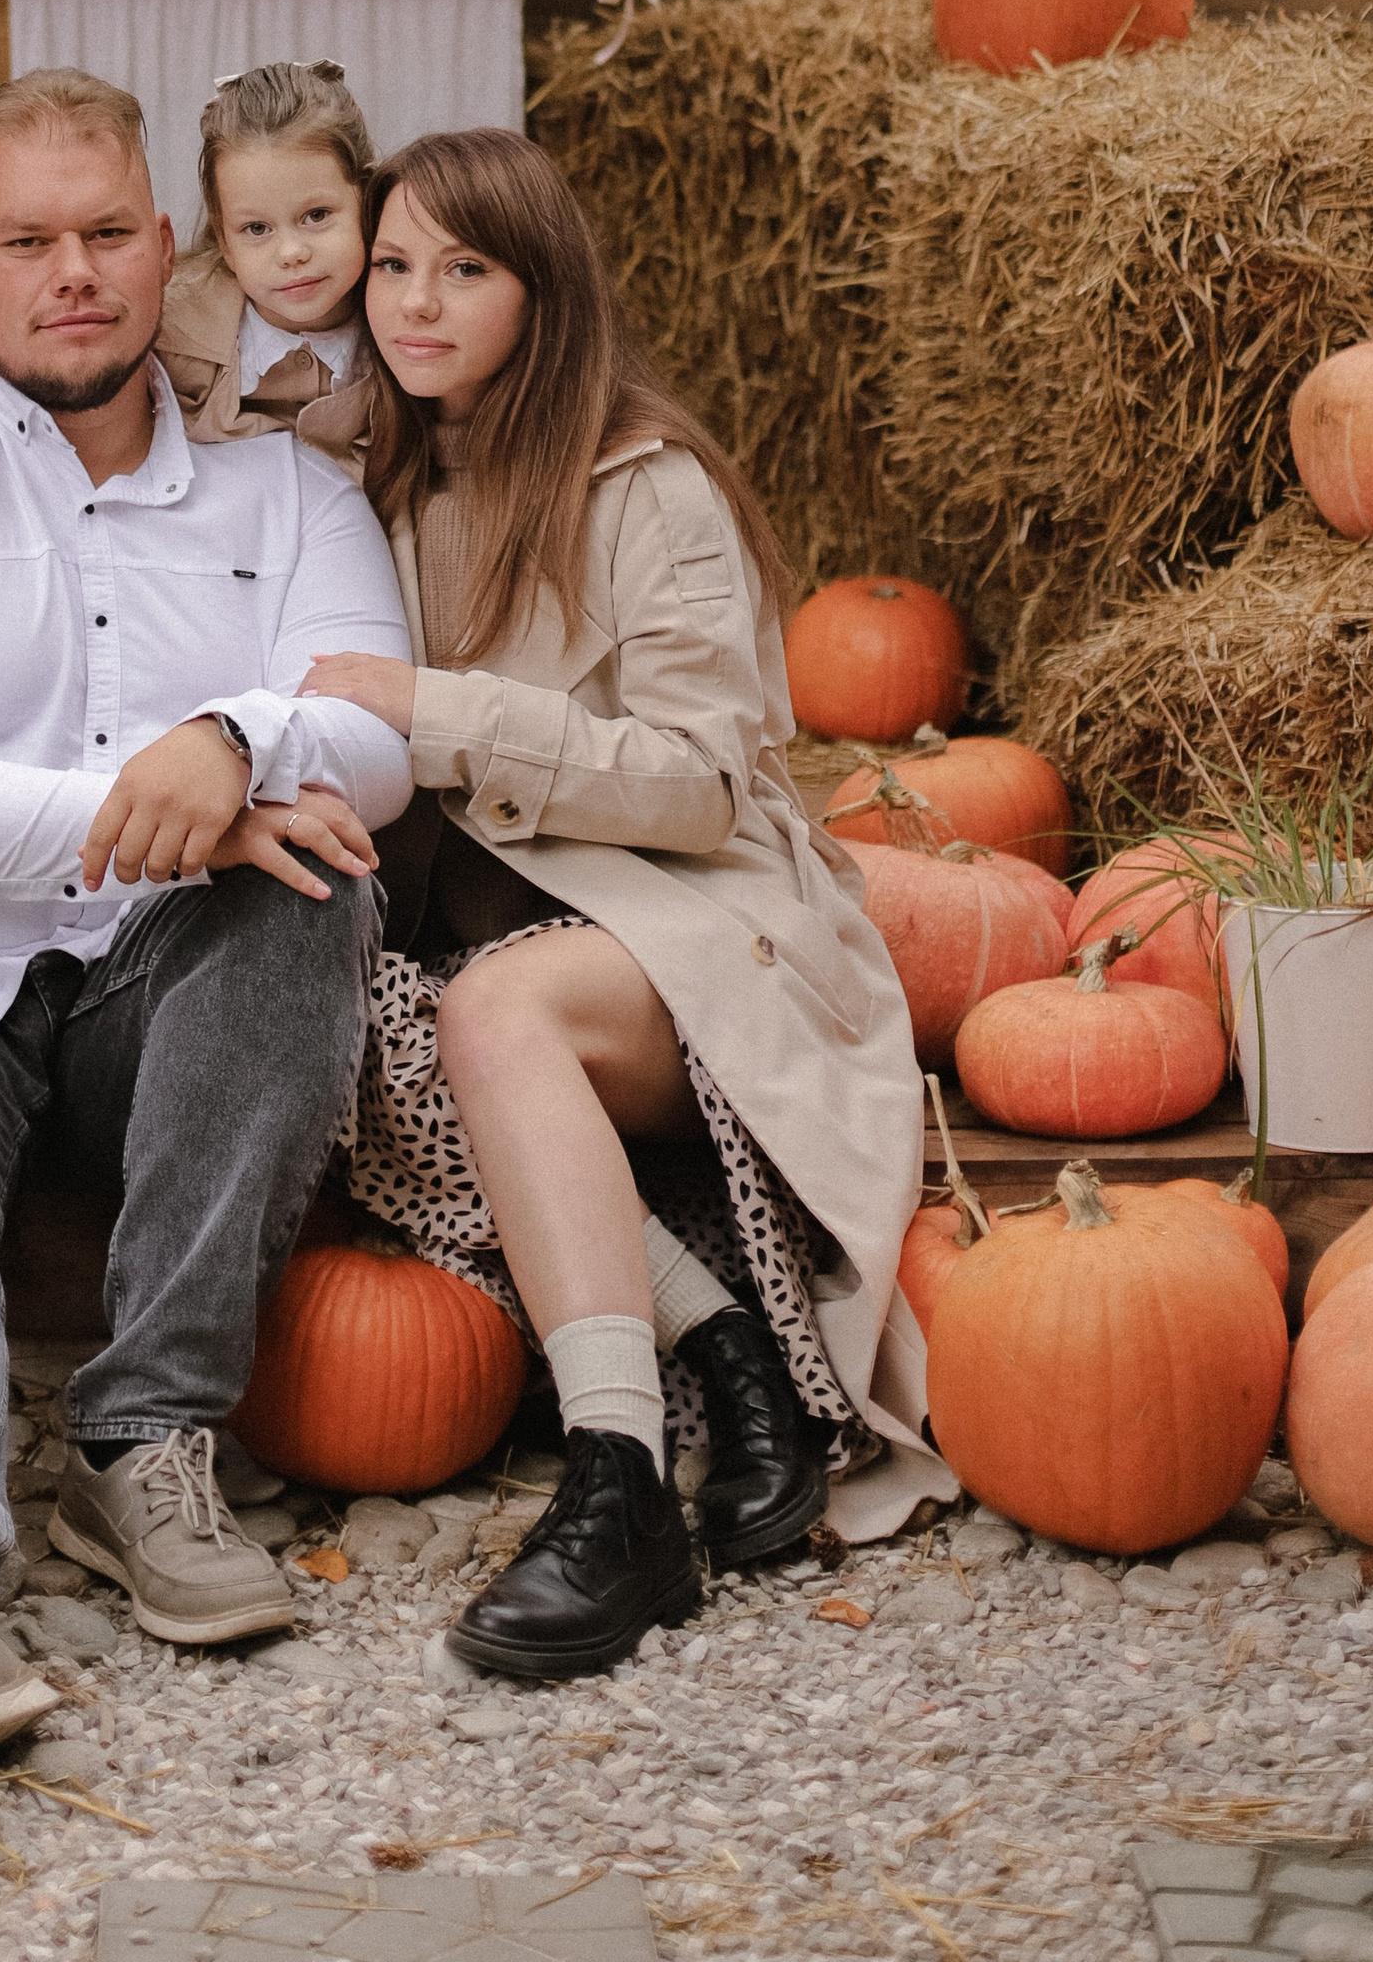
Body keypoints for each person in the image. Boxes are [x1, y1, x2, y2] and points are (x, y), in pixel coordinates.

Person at [0, 66, 417, 1807]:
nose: (74, 274)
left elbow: (375, 739)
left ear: (165, 245)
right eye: (28, 241)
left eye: (108, 233)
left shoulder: (290, 500)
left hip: (149, 996)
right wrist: (158, 799)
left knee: (313, 878)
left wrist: (236, 748)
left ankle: (143, 1443)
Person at [298, 127, 946, 1683]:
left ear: (545, 291)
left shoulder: (643, 485)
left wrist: (439, 712)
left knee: (493, 1003)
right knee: (333, 1004)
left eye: (467, 269)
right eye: (393, 264)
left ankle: (618, 1480)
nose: (418, 302)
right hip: (500, 951)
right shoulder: (352, 471)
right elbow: (177, 319)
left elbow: (706, 782)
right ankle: (722, 1339)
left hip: (703, 935)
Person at [0, 58, 375, 444]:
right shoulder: (180, 320)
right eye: (256, 228)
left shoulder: (399, 313)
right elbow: (41, 319)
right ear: (224, 239)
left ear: (366, 200)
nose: (292, 252)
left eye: (316, 216)